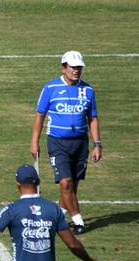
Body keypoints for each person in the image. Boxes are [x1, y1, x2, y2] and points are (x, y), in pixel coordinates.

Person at [30, 50, 102, 234]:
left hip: (80, 143)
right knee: (65, 183)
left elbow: (92, 118)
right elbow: (40, 116)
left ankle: (58, 217)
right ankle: (78, 221)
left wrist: (97, 144)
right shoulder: (50, 88)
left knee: (72, 186)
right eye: (73, 67)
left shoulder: (88, 90)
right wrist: (34, 141)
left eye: (79, 67)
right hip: (57, 143)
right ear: (64, 68)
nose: (76, 71)